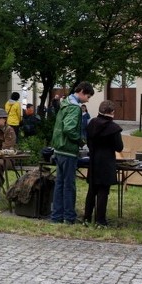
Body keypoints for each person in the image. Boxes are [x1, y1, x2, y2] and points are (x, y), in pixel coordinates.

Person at [50, 82, 94, 224]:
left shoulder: (65, 103)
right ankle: (69, 217)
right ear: (81, 91)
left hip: (59, 149)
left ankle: (56, 216)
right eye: (87, 96)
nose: (88, 99)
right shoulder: (75, 108)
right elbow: (69, 129)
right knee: (69, 185)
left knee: (59, 184)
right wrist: (81, 141)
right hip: (68, 150)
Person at [83, 100, 124, 228]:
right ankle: (100, 220)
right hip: (106, 162)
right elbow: (119, 147)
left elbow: (88, 142)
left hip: (94, 159)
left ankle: (87, 218)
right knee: (103, 191)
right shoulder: (113, 128)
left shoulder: (92, 123)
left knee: (92, 190)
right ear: (111, 112)